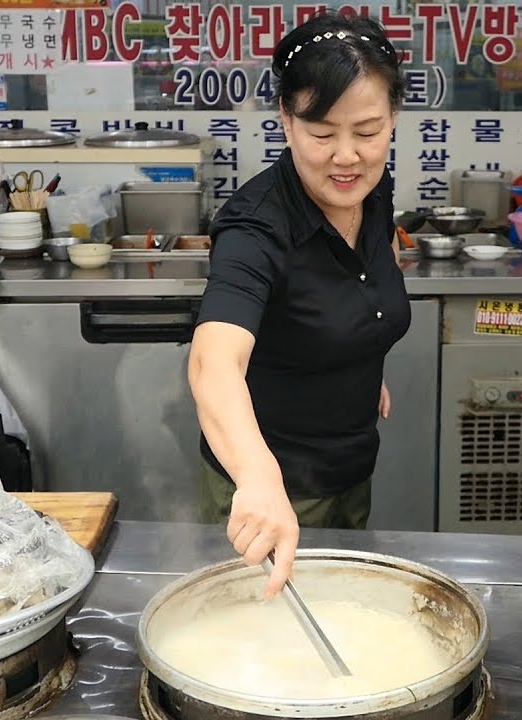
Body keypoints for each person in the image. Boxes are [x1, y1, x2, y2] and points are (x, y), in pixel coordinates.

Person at [187, 13, 410, 599]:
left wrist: (360, 348)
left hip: (351, 468)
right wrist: (260, 480)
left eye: (367, 131)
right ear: (286, 121)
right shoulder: (255, 227)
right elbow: (215, 364)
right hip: (271, 493)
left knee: (345, 616)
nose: (346, 156)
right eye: (321, 133)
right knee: (261, 646)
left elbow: (368, 274)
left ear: (392, 120)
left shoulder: (374, 189)